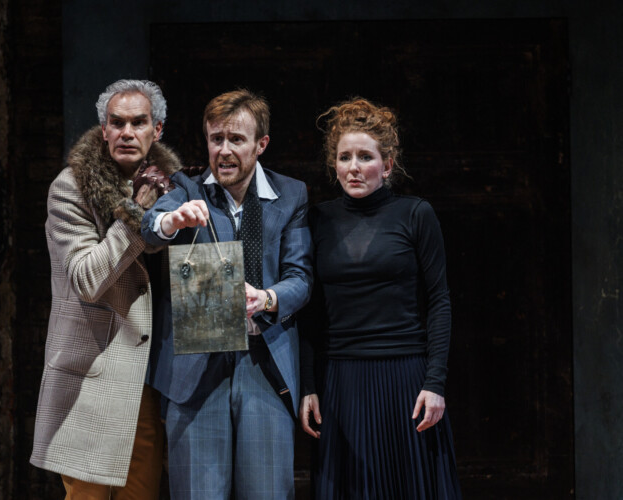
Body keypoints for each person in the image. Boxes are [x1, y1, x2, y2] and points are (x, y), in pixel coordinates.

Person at [141, 89, 313, 499]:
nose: (224, 150)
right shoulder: (186, 187)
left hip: (263, 363)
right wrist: (173, 220)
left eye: (236, 139)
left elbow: (301, 277)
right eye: (216, 139)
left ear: (261, 144)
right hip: (198, 366)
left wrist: (266, 298)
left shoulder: (290, 195)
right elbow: (150, 225)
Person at [299, 98, 461, 499]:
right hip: (341, 380)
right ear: (334, 164)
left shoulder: (415, 214)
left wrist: (435, 382)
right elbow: (309, 312)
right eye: (344, 157)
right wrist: (308, 385)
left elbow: (439, 300)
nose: (353, 167)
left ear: (387, 165)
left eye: (365, 157)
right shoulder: (317, 219)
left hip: (404, 378)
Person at [30, 79, 182, 499]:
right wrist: (136, 212)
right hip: (92, 379)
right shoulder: (71, 187)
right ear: (104, 130)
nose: (127, 132)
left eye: (138, 123)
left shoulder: (173, 191)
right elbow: (87, 279)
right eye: (117, 123)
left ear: (157, 130)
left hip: (145, 382)